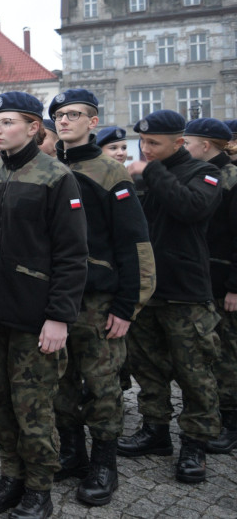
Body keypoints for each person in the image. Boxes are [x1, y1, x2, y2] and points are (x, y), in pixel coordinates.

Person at [0, 91, 87, 519]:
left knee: (33, 406)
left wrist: (59, 316)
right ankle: (10, 475)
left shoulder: (56, 176)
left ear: (34, 127)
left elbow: (72, 253)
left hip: (34, 316)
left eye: (7, 122)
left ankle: (40, 488)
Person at [48, 90, 155, 507]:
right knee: (59, 380)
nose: (64, 120)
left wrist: (129, 306)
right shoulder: (47, 169)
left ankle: (104, 463)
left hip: (98, 300)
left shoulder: (111, 172)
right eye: (58, 115)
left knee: (102, 383)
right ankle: (72, 451)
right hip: (55, 296)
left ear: (93, 121)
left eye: (74, 114)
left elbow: (135, 244)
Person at [117, 110, 222, 484]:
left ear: (179, 143)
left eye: (154, 143)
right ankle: (155, 429)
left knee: (195, 373)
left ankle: (195, 442)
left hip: (186, 293)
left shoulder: (204, 173)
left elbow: (191, 207)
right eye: (143, 142)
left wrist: (151, 171)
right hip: (149, 291)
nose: (146, 149)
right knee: (149, 368)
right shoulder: (145, 175)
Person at [181, 119, 237, 455]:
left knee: (228, 354)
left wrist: (235, 286)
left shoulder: (231, 179)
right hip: (204, 280)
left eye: (187, 142)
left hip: (224, 283)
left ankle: (229, 420)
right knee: (212, 354)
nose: (183, 148)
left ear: (205, 146)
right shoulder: (200, 174)